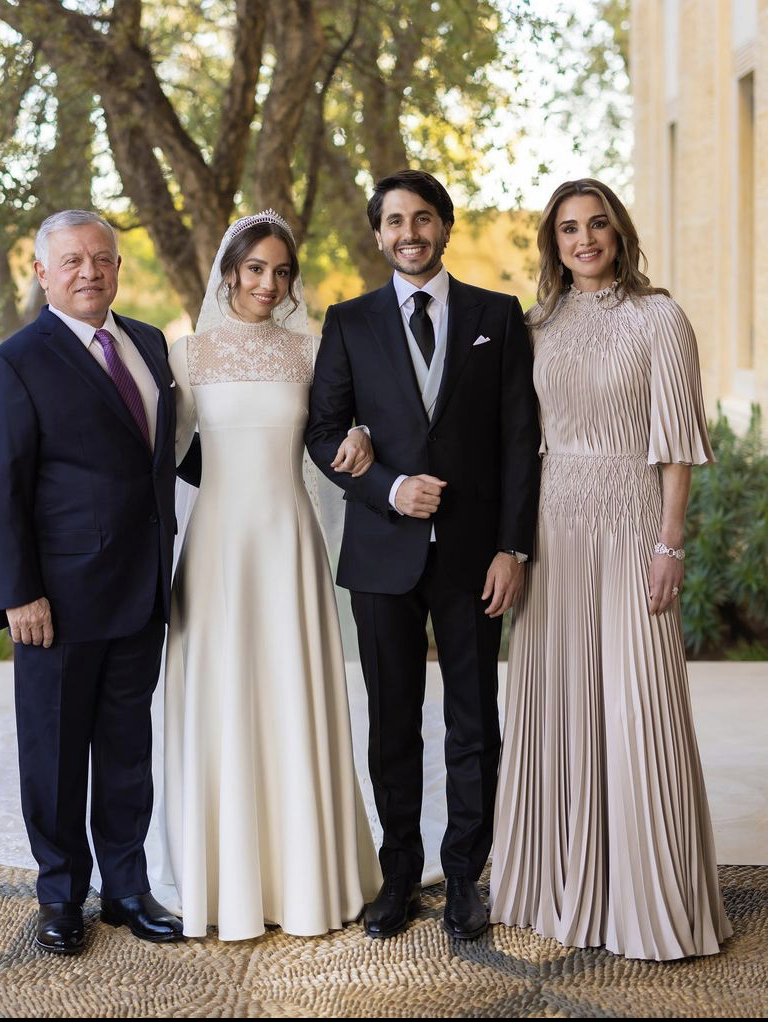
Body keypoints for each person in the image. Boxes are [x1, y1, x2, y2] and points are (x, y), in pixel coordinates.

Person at [488, 179, 733, 960]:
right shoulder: (537, 325)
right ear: (554, 244)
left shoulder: (660, 318)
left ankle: (648, 897)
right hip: (553, 526)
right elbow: (506, 435)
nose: (585, 239)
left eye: (597, 224)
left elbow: (677, 446)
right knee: (557, 699)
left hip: (631, 522)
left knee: (639, 703)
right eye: (569, 229)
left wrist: (670, 543)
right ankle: (556, 886)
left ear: (619, 232)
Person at [306, 170, 541, 940]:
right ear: (378, 234)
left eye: (422, 218)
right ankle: (399, 872)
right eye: (395, 221)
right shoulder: (349, 322)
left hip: (475, 556)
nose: (409, 233)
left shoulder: (497, 316)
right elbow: (323, 431)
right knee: (392, 721)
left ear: (444, 225)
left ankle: (466, 873)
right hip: (382, 555)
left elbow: (518, 442)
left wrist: (513, 547)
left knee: (475, 721)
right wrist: (389, 487)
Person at [162, 209, 381, 941]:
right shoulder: (188, 356)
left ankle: (306, 877)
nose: (268, 283)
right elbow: (163, 455)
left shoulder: (311, 352)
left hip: (288, 542)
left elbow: (340, 428)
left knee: (291, 691)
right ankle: (224, 880)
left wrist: (360, 434)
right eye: (255, 268)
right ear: (229, 272)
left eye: (281, 271)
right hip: (217, 545)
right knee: (222, 695)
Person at [0, 210, 183, 955]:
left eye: (101, 258)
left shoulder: (149, 343)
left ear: (118, 265)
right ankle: (60, 895)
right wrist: (18, 592)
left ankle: (126, 890)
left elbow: (162, 455)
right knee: (56, 755)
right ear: (42, 273)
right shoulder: (13, 363)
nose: (89, 271)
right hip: (57, 601)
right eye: (71, 261)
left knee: (128, 751)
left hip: (142, 587)